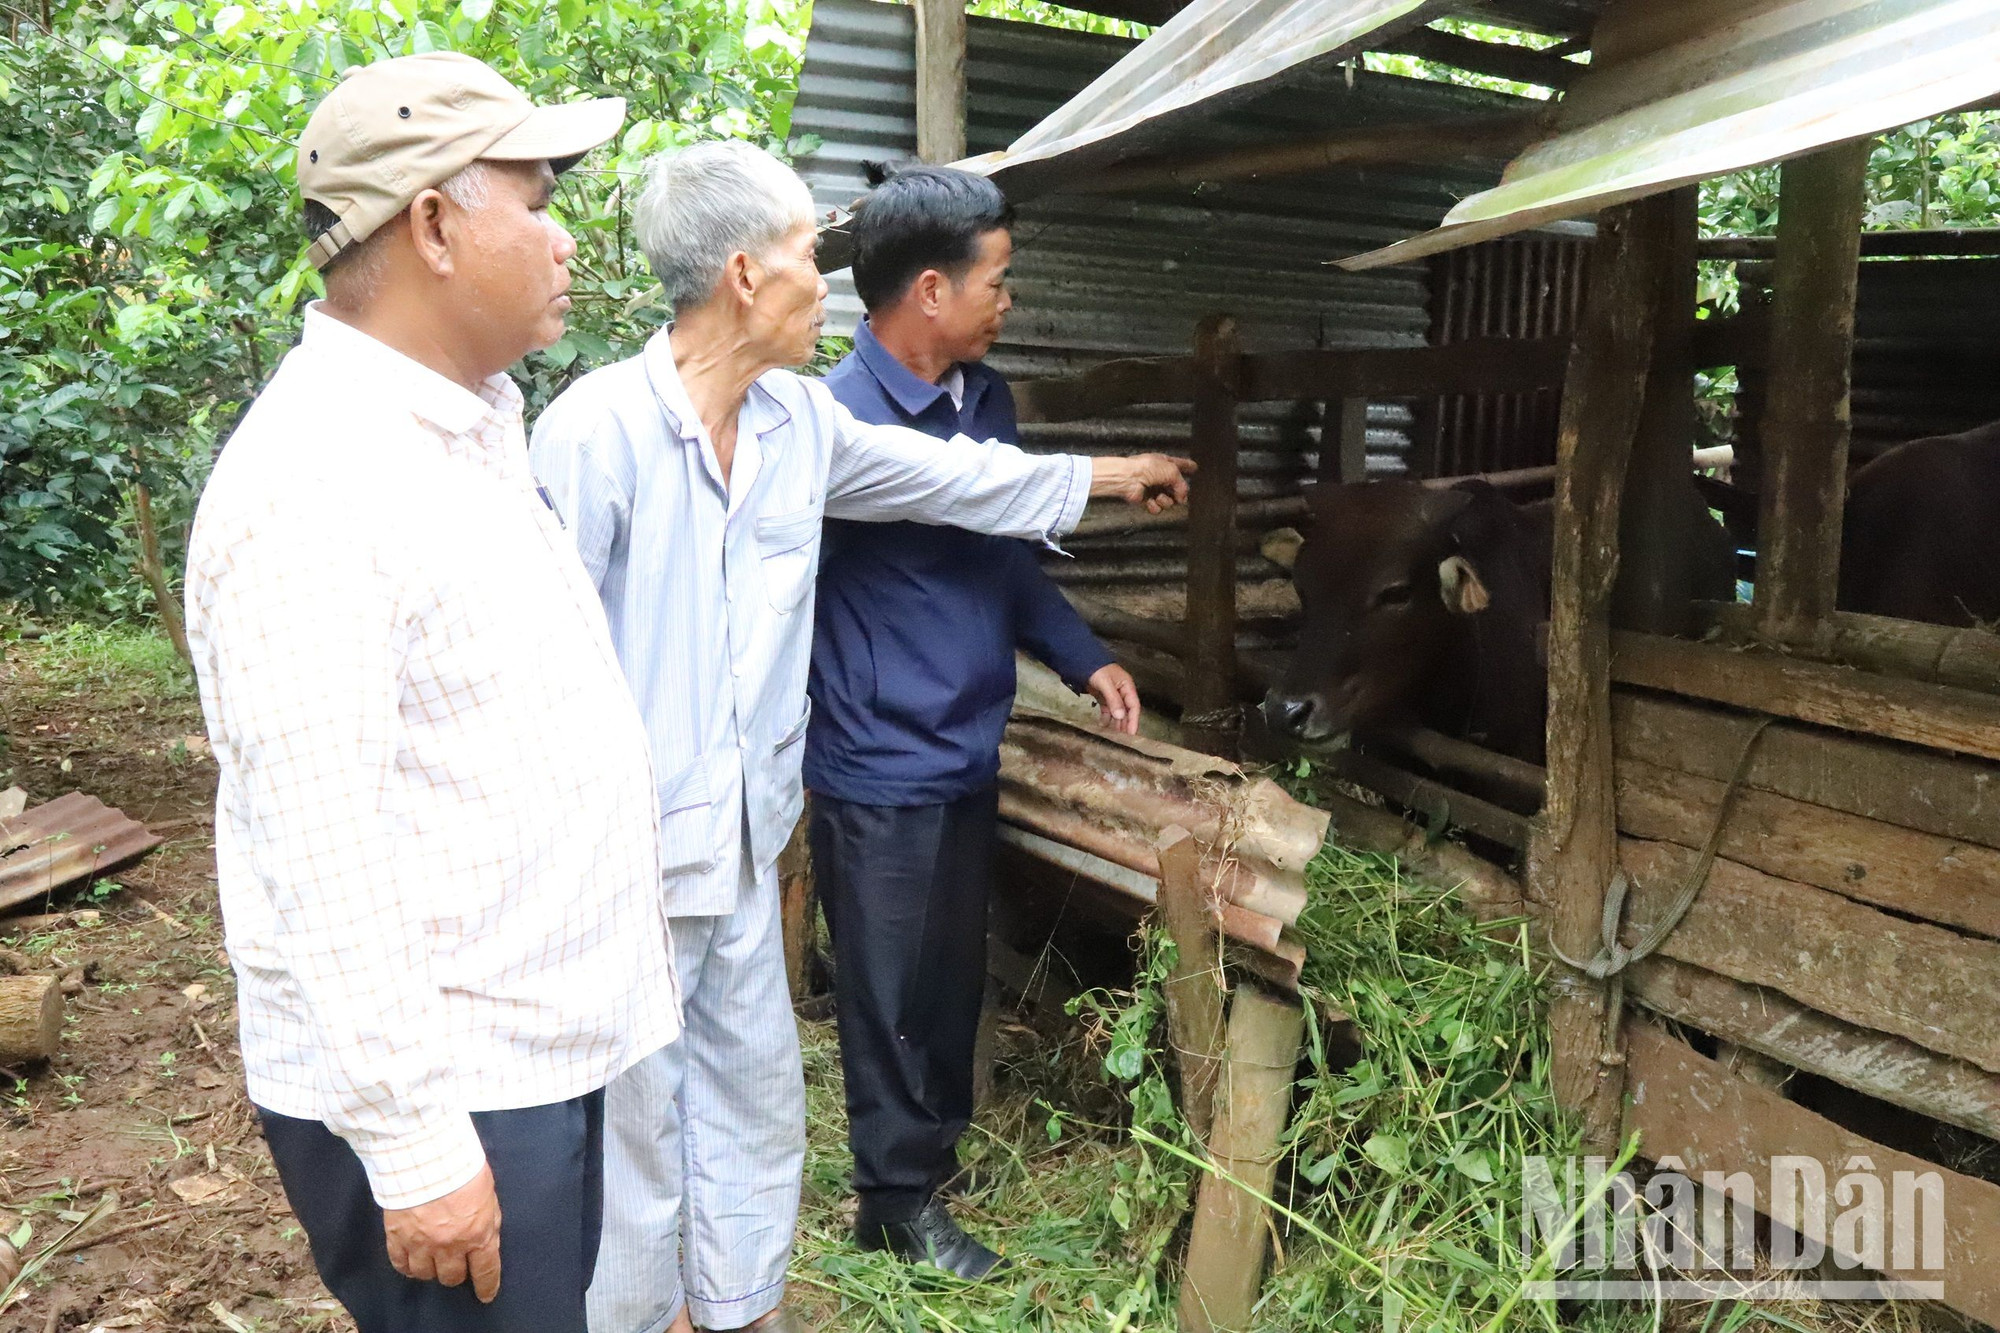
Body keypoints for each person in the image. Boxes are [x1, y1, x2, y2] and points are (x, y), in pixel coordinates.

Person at [528, 140, 1192, 1333]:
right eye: (802, 258)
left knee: (753, 1103)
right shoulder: (596, 437)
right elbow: (536, 670)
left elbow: (964, 485)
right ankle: (634, 1315)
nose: (823, 284)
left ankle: (735, 1309)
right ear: (741, 275)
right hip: (618, 860)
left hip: (742, 840)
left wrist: (1110, 473)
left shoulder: (796, 427)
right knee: (632, 1124)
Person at [184, 54, 678, 1333]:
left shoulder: (460, 425)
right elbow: (322, 843)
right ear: (437, 226)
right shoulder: (317, 479)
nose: (565, 235)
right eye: (538, 196)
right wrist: (413, 1148)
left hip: (514, 1053)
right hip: (448, 1092)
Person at [806, 164, 1138, 1277]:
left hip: (963, 742)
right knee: (891, 990)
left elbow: (1000, 550)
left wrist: (1081, 655)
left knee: (945, 978)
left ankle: (922, 1172)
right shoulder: (834, 425)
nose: (1012, 300)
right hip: (876, 753)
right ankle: (892, 1205)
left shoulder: (980, 399)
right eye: (998, 279)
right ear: (931, 290)